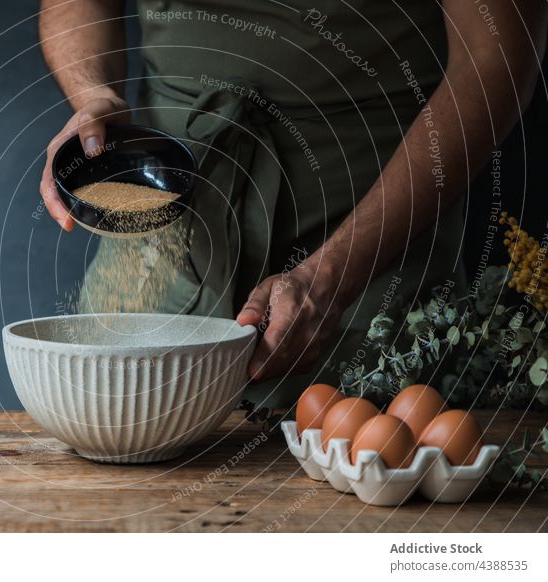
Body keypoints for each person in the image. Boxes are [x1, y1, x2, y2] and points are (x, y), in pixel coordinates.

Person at [38, 0, 547, 406]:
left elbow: (496, 59)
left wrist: (332, 275)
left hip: (368, 241)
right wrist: (90, 93)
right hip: (165, 218)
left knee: (356, 490)